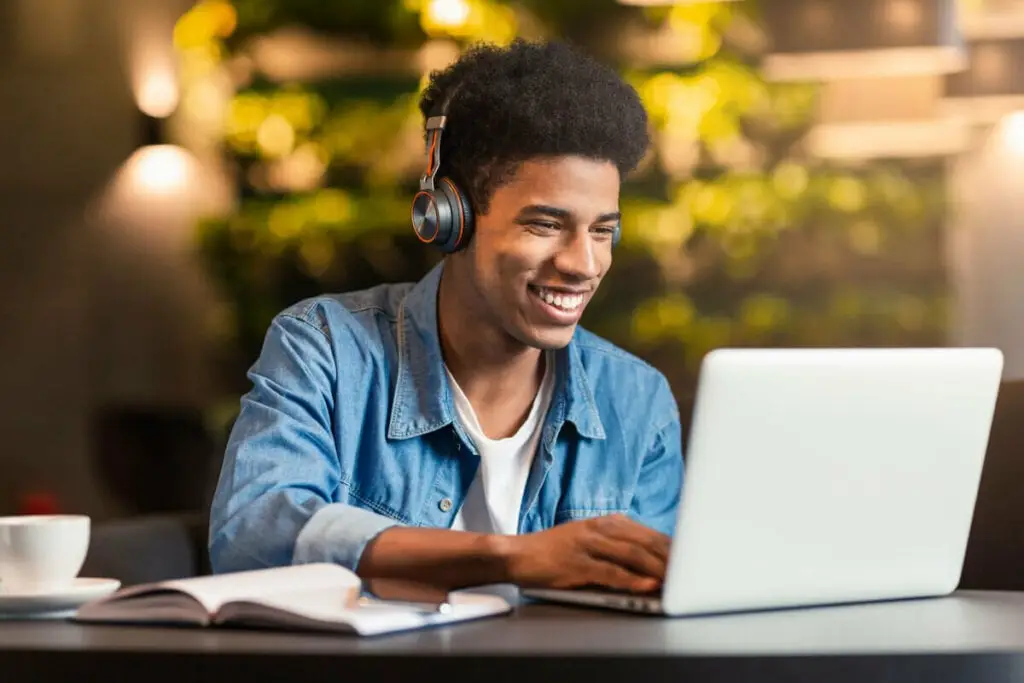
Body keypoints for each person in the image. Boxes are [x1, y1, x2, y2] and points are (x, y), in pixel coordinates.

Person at [208, 39, 684, 595]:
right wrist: (509, 557)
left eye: (602, 230)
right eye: (544, 225)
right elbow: (251, 534)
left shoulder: (637, 399)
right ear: (447, 218)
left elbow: (662, 601)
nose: (583, 264)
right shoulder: (325, 350)